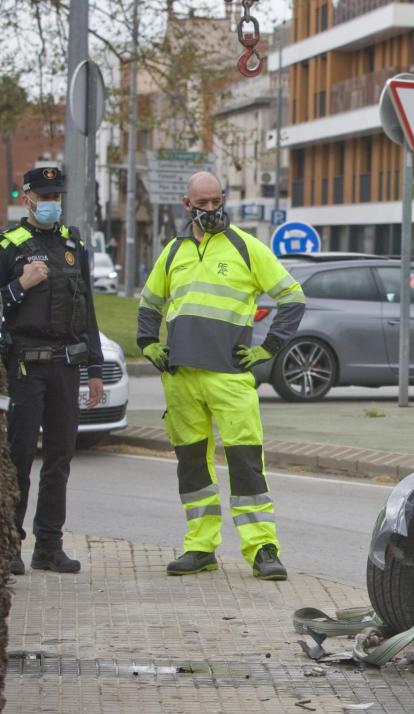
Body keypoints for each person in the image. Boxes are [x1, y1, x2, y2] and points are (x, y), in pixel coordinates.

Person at [137, 172, 305, 579]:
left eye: (217, 202)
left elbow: (293, 297)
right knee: (192, 466)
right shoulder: (173, 251)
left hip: (229, 377)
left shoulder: (247, 248)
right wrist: (147, 343)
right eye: (203, 203)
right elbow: (149, 302)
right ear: (187, 204)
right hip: (181, 379)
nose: (211, 209)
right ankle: (200, 547)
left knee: (247, 463)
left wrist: (268, 349)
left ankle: (263, 549)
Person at [0, 166, 103, 575]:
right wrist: (18, 285)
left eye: (56, 197)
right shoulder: (10, 245)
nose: (51, 205)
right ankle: (10, 547)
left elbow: (89, 312)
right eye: (44, 198)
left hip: (66, 365)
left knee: (59, 458)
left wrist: (94, 368)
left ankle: (49, 546)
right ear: (26, 199)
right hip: (26, 364)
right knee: (21, 458)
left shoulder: (73, 244)